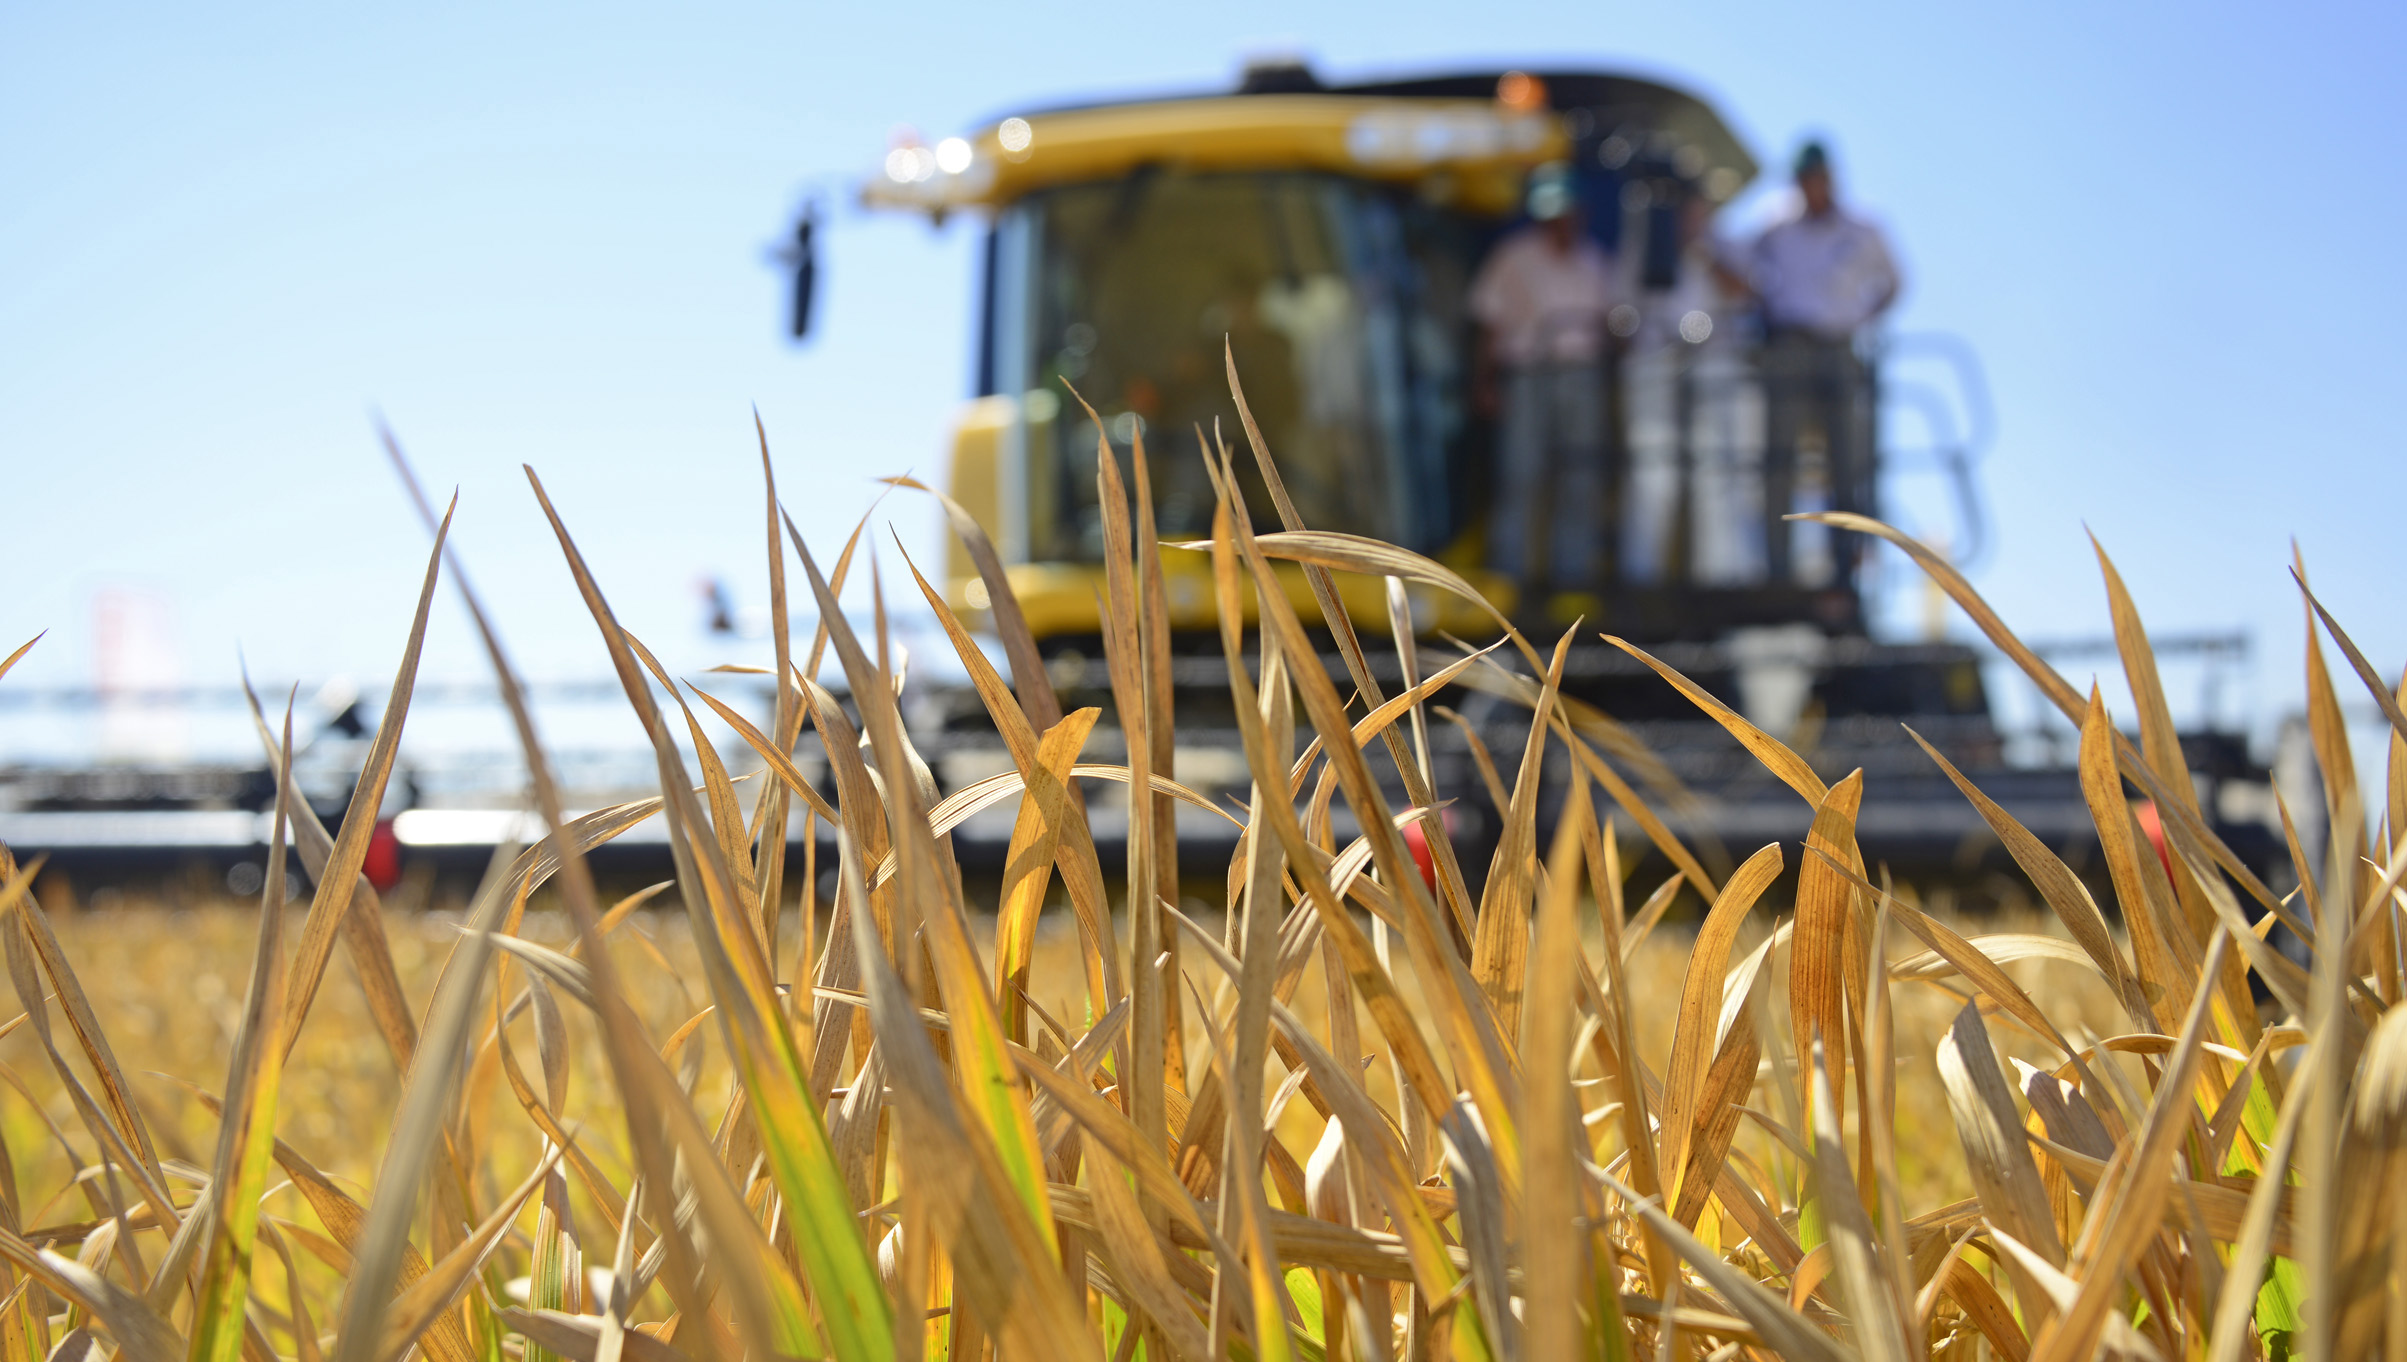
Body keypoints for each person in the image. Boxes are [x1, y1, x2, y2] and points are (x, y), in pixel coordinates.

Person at [1731, 140, 1900, 586]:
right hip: (1788, 349)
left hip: (1840, 349)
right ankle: (1777, 569)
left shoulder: (1864, 230)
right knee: (1780, 460)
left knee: (1847, 460)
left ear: (1831, 178)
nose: (1812, 187)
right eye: (1804, 180)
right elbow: (1738, 269)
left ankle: (1845, 566)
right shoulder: (1774, 229)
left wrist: (1859, 320)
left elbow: (1895, 283)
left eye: (1818, 178)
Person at [1470, 162, 1617, 608]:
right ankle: (1508, 578)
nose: (1561, 222)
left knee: (1580, 475)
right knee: (1521, 472)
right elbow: (1490, 327)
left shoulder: (1594, 260)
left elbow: (1612, 325)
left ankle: (1572, 579)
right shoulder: (1513, 257)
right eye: (1553, 214)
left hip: (1581, 377)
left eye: (1568, 212)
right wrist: (1485, 382)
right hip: (1529, 376)